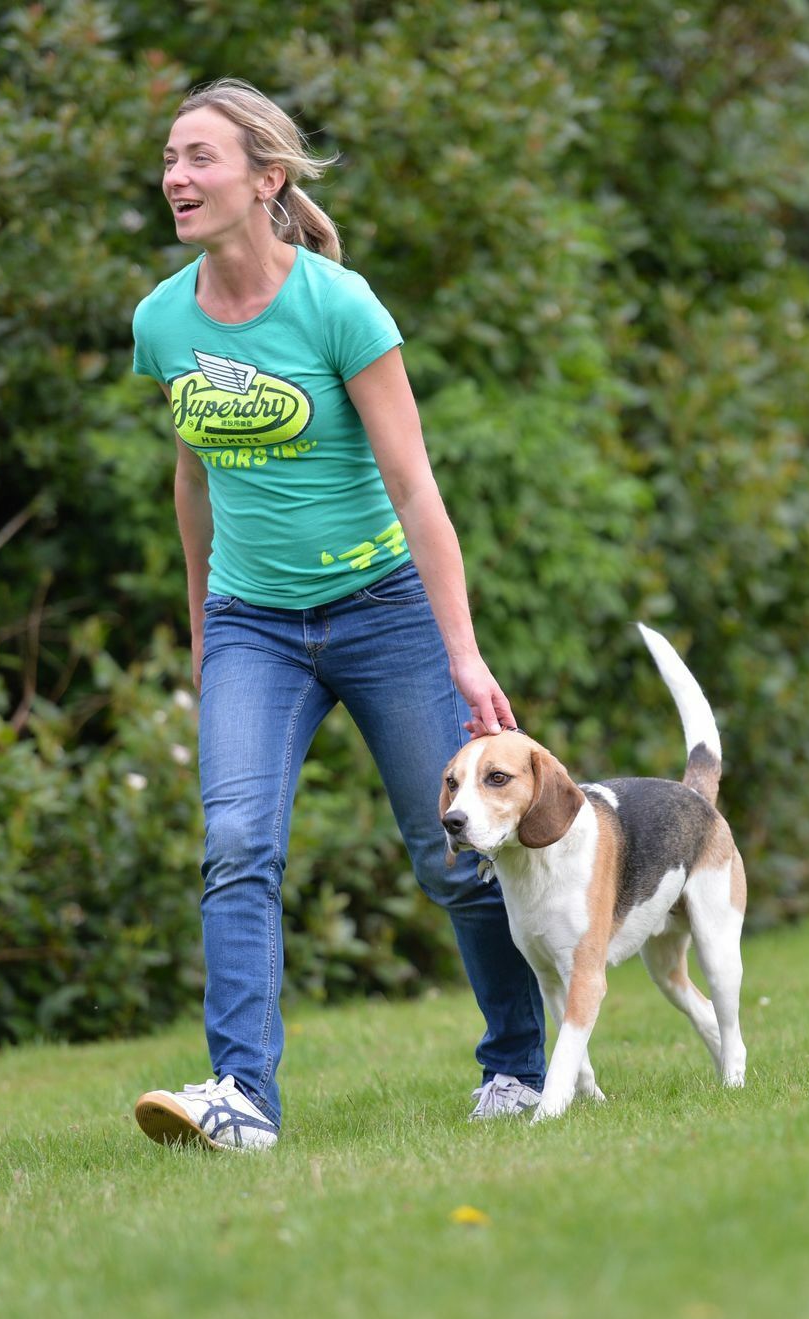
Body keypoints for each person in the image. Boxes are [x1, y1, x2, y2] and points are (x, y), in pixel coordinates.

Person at [128, 79, 546, 1151]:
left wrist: (458, 649)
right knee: (234, 844)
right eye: (170, 158)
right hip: (252, 625)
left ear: (264, 178)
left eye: (199, 158)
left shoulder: (338, 305)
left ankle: (517, 1065)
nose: (176, 176)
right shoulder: (162, 319)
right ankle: (242, 1099)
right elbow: (191, 479)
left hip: (381, 609)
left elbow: (415, 490)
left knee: (450, 852)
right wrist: (200, 621)